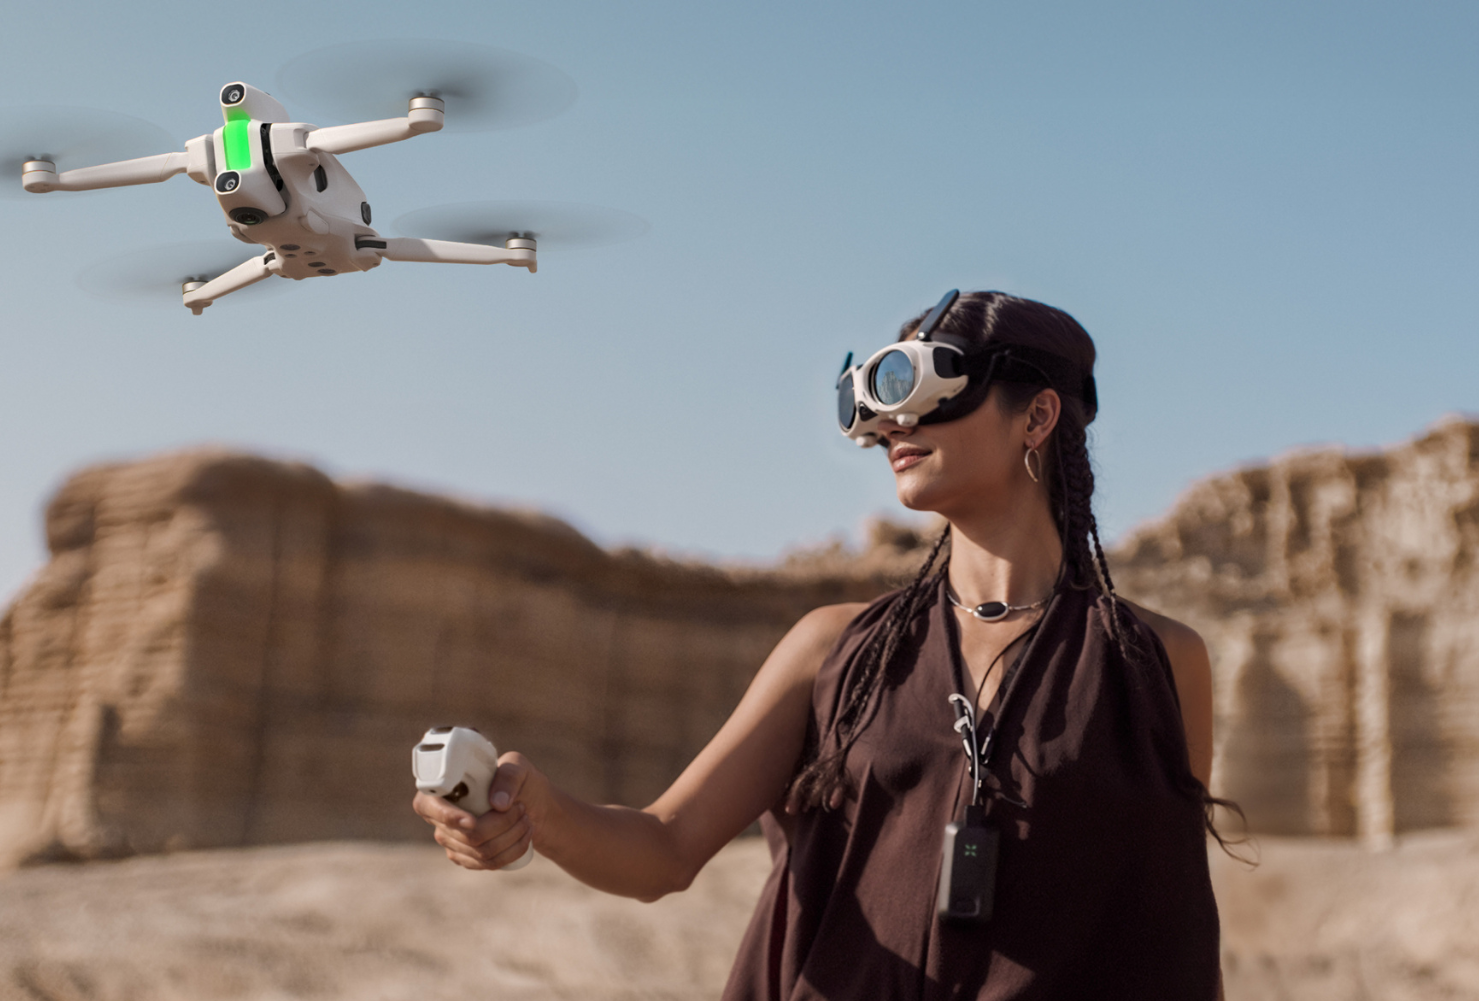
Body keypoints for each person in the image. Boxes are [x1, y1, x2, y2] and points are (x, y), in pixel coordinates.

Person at [411, 291, 1231, 999]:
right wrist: (539, 815)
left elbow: (1168, 935)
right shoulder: (835, 649)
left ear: (1039, 415)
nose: (891, 424)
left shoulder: (1156, 663)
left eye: (923, 386)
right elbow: (664, 849)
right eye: (876, 404)